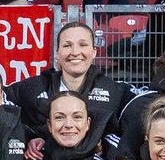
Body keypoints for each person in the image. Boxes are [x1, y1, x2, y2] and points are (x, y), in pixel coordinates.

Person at [12, 18, 131, 147]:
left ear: (94, 52)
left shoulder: (115, 91)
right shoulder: (35, 87)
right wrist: (27, 137)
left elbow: (147, 111)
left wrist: (119, 156)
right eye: (67, 45)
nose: (75, 52)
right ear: (58, 53)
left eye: (83, 45)